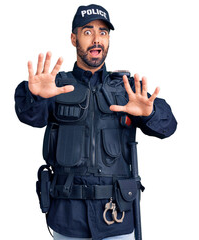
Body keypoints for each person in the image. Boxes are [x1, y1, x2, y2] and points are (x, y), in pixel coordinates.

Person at [14, 4, 177, 240]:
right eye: (88, 32)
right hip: (68, 218)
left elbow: (169, 126)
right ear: (74, 38)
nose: (96, 40)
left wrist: (149, 113)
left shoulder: (126, 89)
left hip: (116, 216)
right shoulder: (56, 85)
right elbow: (29, 116)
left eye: (103, 32)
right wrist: (35, 95)